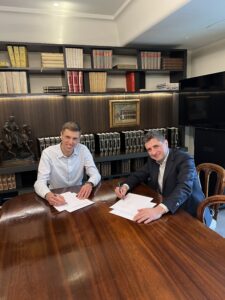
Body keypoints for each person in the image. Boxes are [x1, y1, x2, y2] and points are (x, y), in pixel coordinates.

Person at [115, 131, 212, 226]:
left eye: (156, 146)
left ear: (166, 143)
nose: (153, 152)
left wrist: (158, 210)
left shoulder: (184, 159)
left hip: (191, 213)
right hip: (168, 208)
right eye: (149, 149)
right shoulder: (153, 160)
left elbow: (184, 187)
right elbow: (138, 175)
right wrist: (125, 186)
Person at [34, 121, 101, 206]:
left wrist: (89, 183)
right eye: (67, 137)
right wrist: (48, 195)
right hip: (56, 195)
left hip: (78, 196)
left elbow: (95, 174)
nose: (70, 142)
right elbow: (40, 182)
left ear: (79, 139)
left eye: (75, 138)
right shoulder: (47, 153)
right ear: (61, 135)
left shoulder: (83, 150)